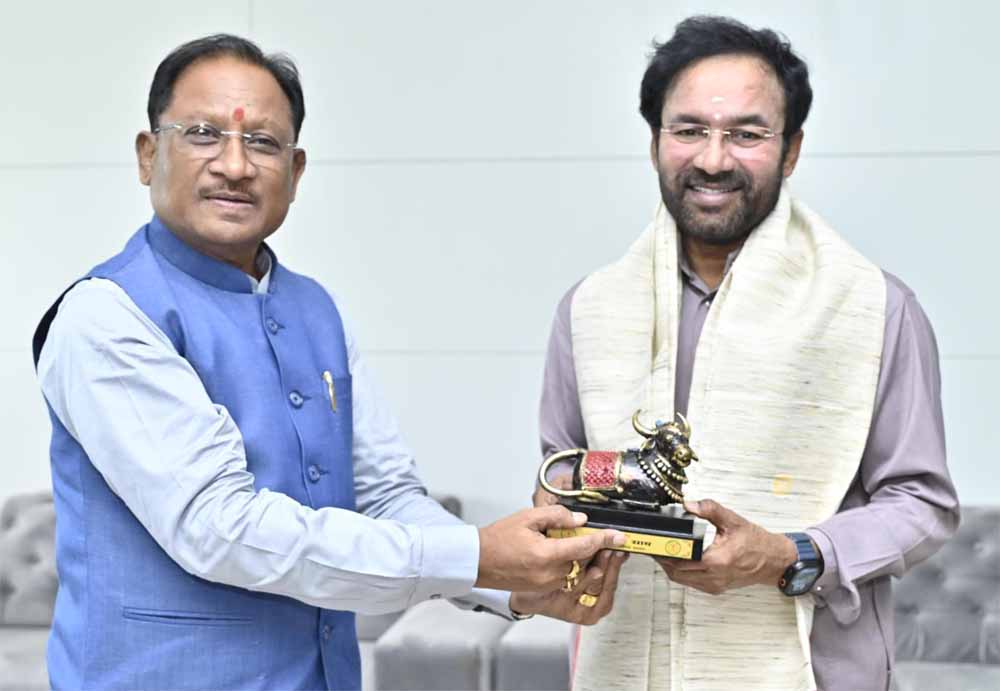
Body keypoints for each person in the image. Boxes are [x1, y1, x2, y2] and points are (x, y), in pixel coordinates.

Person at [32, 34, 628, 690]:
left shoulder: (315, 309)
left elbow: (383, 494)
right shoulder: (107, 316)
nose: (235, 164)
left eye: (263, 142)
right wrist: (479, 555)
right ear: (148, 155)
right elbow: (221, 529)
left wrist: (516, 585)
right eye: (203, 134)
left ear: (296, 170)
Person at [534, 15, 959, 691]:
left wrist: (792, 554)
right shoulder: (588, 310)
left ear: (791, 151)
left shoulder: (875, 307)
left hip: (814, 668)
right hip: (626, 665)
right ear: (654, 143)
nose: (713, 159)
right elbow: (561, 475)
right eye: (689, 130)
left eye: (746, 134)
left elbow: (921, 502)